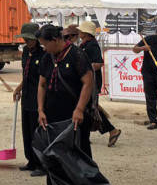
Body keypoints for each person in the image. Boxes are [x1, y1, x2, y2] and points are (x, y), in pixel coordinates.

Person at [36, 24, 94, 158]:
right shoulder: (47, 58)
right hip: (52, 115)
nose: (44, 48)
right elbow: (42, 85)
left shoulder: (77, 55)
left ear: (55, 40)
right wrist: (40, 110)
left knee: (78, 154)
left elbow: (88, 83)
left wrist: (79, 109)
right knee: (55, 156)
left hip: (74, 116)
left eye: (45, 44)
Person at [77, 21, 122, 147]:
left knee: (91, 109)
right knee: (89, 108)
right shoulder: (85, 45)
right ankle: (84, 134)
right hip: (88, 81)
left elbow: (99, 63)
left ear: (85, 33)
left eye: (81, 31)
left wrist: (85, 69)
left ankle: (112, 130)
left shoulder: (92, 46)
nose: (79, 32)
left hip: (92, 82)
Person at [12, 22, 45, 177]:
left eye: (29, 39)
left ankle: (41, 164)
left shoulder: (43, 54)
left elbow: (42, 81)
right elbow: (26, 75)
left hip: (38, 99)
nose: (26, 42)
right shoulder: (25, 51)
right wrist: (19, 88)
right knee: (26, 130)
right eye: (25, 39)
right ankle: (31, 160)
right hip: (26, 97)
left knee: (36, 132)